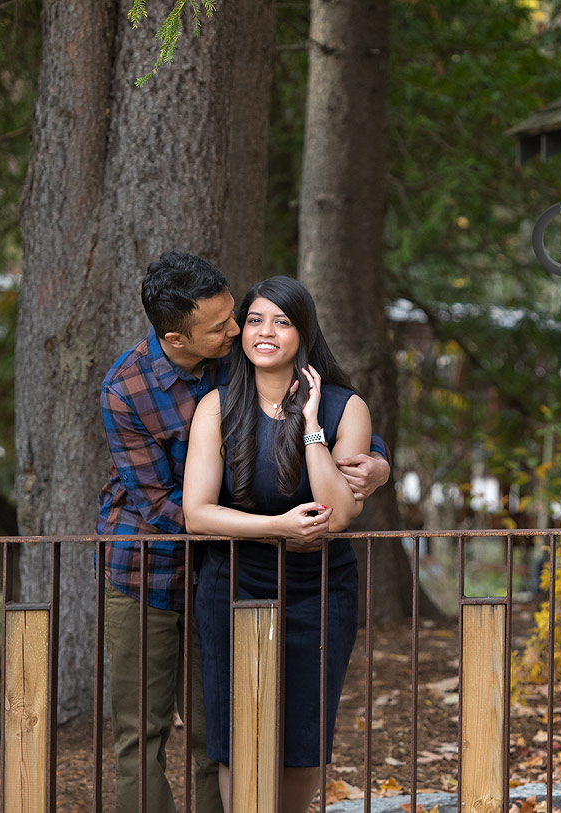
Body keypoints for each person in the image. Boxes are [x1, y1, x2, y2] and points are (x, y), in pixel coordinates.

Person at [97, 253, 391, 813]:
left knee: (222, 732)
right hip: (151, 567)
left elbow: (324, 417)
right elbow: (173, 507)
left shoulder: (233, 356)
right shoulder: (128, 388)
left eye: (245, 316)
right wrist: (271, 528)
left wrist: (373, 460)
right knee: (144, 731)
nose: (240, 330)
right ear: (177, 339)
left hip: (245, 566)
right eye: (231, 324)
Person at [182, 276, 370, 813]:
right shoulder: (217, 407)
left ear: (303, 332)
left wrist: (312, 427)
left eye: (282, 322)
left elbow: (338, 515)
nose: (267, 333)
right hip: (234, 586)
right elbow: (197, 514)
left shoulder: (344, 408)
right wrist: (277, 528)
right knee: (236, 735)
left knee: (303, 742)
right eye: (257, 320)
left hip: (321, 589)